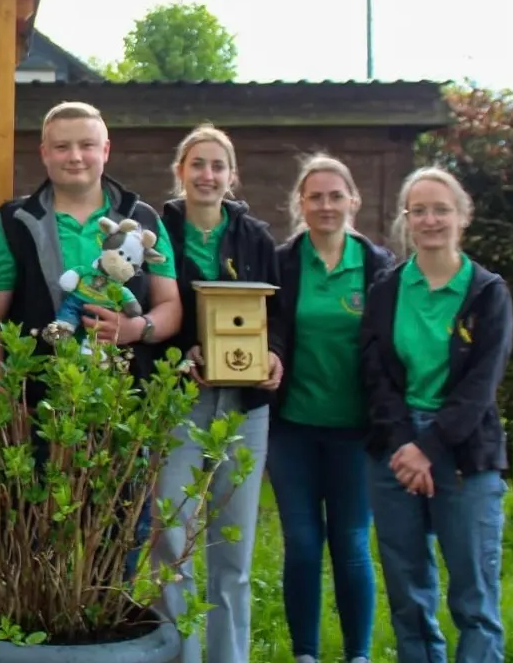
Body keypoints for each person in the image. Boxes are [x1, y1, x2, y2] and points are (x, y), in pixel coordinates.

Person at [144, 123, 283, 663]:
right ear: (180, 170)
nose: (207, 175)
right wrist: (180, 355)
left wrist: (275, 356)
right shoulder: (156, 233)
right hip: (181, 402)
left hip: (245, 408)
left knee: (233, 546)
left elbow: (280, 317)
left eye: (217, 165)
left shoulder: (257, 238)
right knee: (170, 539)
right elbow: (143, 310)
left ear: (231, 175)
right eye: (197, 164)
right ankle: (179, 654)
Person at [361, 167, 510, 663]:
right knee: (407, 591)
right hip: (394, 452)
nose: (430, 220)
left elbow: (479, 387)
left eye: (441, 209)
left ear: (462, 217)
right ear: (407, 219)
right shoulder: (385, 291)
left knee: (474, 596)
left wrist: (428, 447)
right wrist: (405, 443)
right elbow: (375, 372)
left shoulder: (488, 293)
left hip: (465, 454)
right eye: (419, 210)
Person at [268, 155, 394, 663]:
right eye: (315, 196)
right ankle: (305, 653)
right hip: (292, 428)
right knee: (301, 542)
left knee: (350, 543)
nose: (326, 205)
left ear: (353, 201)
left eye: (335, 196)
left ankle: (357, 654)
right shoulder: (282, 263)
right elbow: (267, 328)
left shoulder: (379, 267)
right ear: (301, 203)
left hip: (356, 432)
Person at [0, 100, 182, 376]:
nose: (75, 156)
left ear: (105, 150)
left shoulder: (144, 220)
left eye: (87, 145)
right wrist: (0, 395)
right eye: (62, 147)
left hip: (123, 399)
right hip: (39, 396)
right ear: (44, 153)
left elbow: (170, 305)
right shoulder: (13, 222)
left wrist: (136, 328)